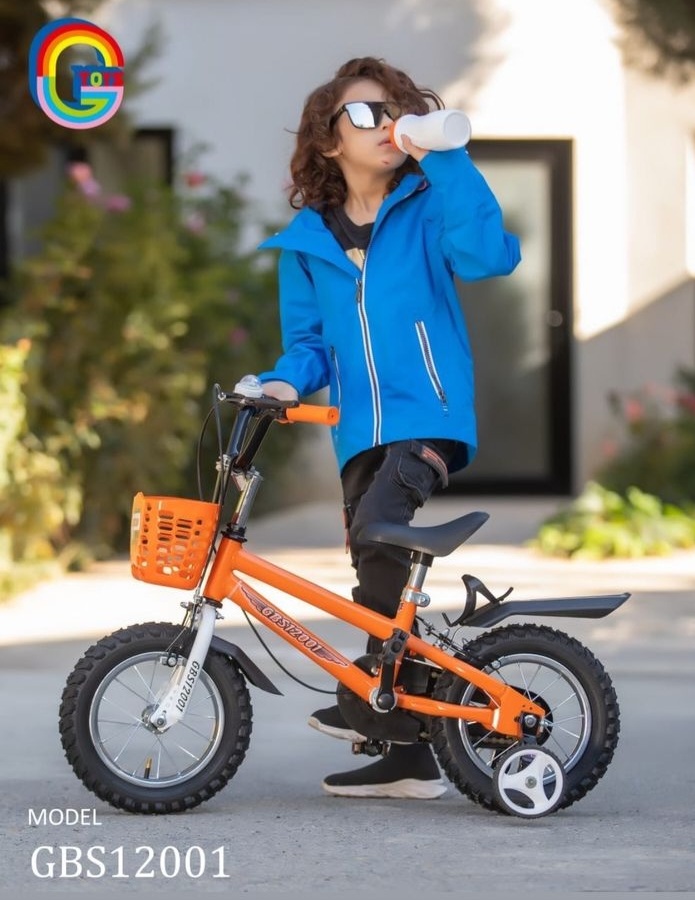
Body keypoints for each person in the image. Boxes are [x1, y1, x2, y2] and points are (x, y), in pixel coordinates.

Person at [257, 56, 520, 799]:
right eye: (366, 114)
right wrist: (283, 379)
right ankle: (406, 754)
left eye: (395, 111)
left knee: (380, 534)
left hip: (428, 415)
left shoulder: (429, 206)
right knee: (374, 568)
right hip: (358, 435)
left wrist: (448, 156)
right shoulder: (305, 244)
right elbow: (308, 344)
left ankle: (363, 697)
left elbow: (489, 256)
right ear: (328, 139)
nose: (386, 125)